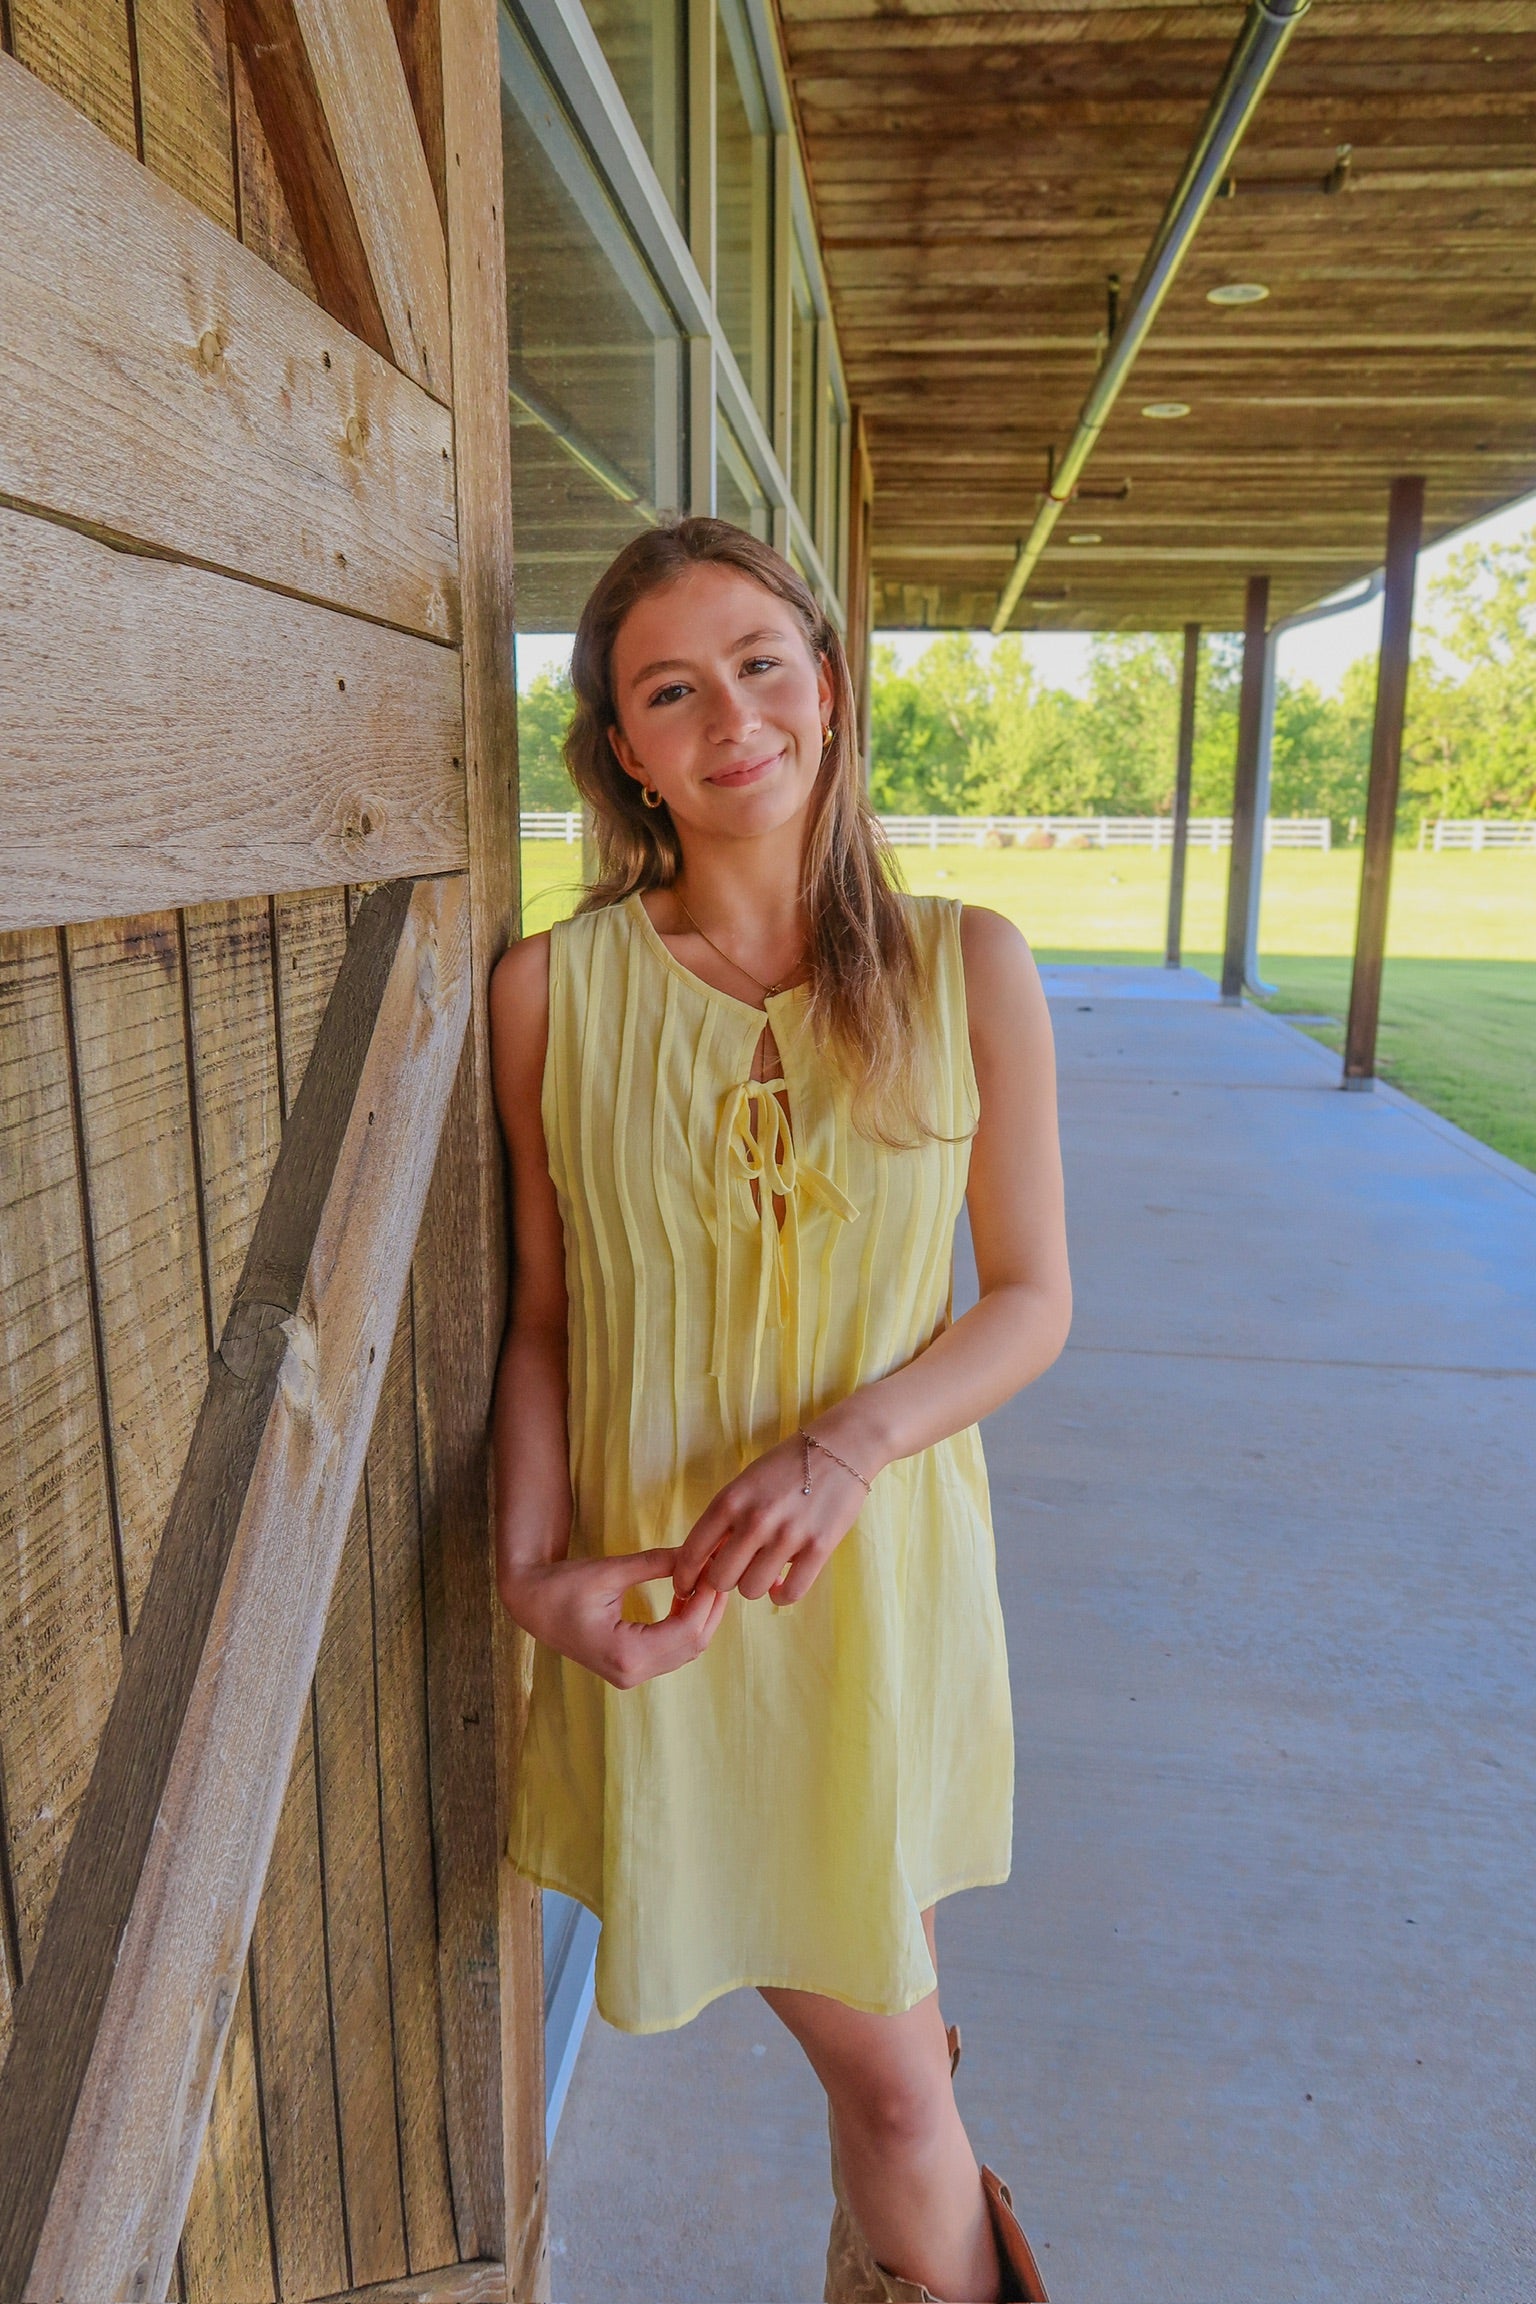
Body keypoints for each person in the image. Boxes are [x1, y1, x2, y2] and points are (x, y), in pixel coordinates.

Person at [490, 517, 1071, 2303]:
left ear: (824, 685)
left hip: (871, 1596)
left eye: (760, 661)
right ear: (627, 752)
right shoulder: (548, 995)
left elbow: (1034, 1302)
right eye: (672, 688)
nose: (728, 710)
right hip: (671, 1613)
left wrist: (851, 1442)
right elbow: (546, 1323)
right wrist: (532, 1574)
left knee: (892, 2086)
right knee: (891, 2071)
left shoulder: (968, 964)